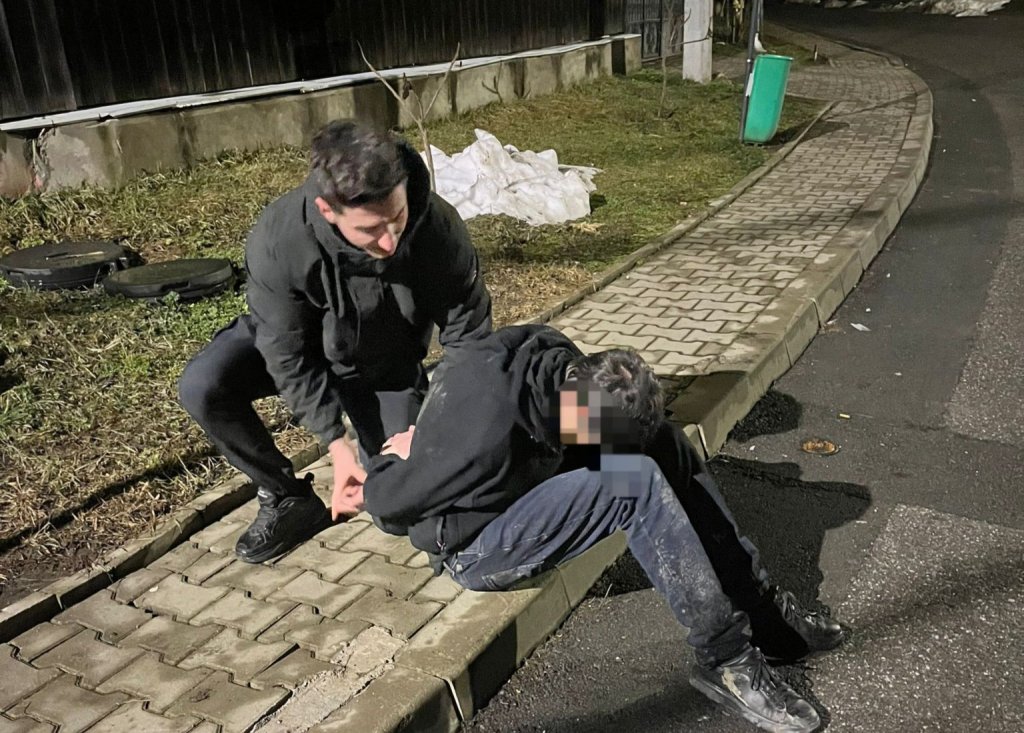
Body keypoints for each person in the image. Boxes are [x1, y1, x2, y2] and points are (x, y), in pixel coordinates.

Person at [359, 325, 845, 733]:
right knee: (634, 483)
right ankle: (727, 660)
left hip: (522, 481)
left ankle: (764, 614)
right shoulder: (478, 435)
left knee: (665, 442)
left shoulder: (563, 365)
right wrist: (399, 459)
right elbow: (385, 506)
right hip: (474, 542)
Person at [178, 119, 492, 564]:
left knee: (395, 509)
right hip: (301, 345)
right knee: (204, 385)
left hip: (382, 369)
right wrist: (335, 443)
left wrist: (432, 426)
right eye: (371, 230)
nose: (389, 241)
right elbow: (285, 352)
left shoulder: (436, 227)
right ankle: (286, 497)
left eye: (397, 218)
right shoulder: (279, 237)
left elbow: (470, 337)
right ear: (328, 210)